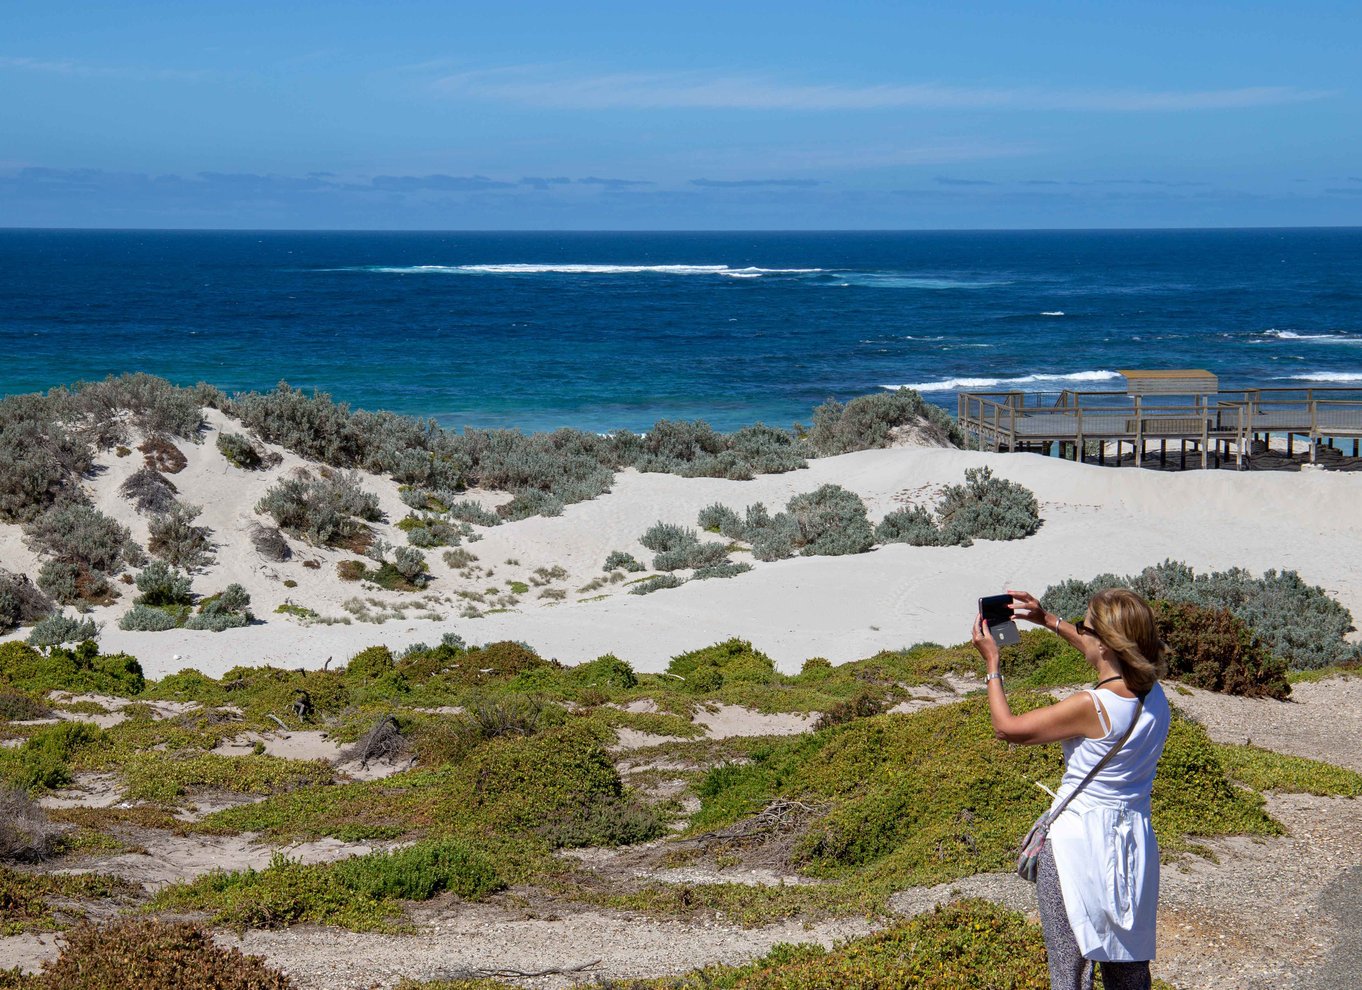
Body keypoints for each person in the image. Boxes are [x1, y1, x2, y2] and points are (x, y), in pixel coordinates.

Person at [971, 587, 1171, 990]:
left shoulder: (1091, 706)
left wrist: (992, 664)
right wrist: (1047, 620)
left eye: (1086, 629)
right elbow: (1101, 650)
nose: (1081, 634)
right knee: (1130, 973)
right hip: (1133, 846)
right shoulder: (1156, 697)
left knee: (1070, 972)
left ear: (1107, 644)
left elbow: (1007, 728)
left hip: (1077, 849)